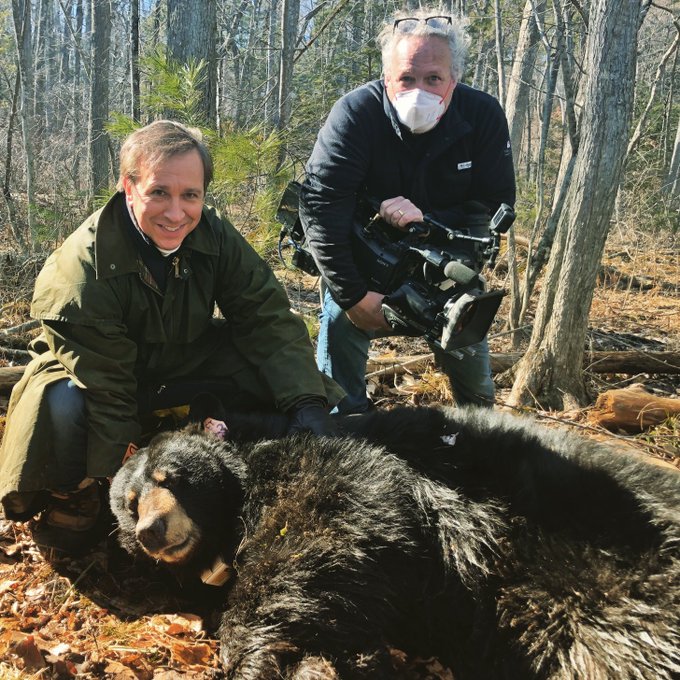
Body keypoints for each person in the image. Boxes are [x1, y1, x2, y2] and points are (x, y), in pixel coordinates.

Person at [0, 120, 343, 553]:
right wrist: (129, 487)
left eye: (190, 195)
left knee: (271, 372)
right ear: (129, 187)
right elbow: (110, 390)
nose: (176, 213)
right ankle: (76, 492)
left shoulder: (214, 234)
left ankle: (244, 457)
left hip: (181, 357)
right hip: (96, 374)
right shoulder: (80, 273)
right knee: (62, 402)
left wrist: (307, 403)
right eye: (159, 192)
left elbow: (265, 316)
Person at [299, 10, 516, 414]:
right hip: (363, 261)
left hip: (444, 263)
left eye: (433, 78)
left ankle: (479, 428)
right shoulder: (355, 114)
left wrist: (433, 233)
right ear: (387, 78)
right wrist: (352, 295)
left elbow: (492, 206)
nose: (420, 90)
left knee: (474, 380)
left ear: (453, 80)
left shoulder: (482, 115)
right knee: (340, 322)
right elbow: (320, 206)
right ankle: (343, 427)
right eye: (407, 78)